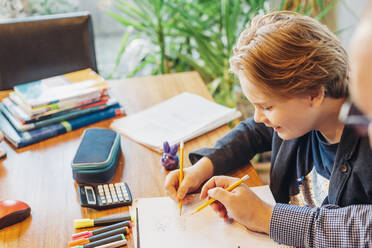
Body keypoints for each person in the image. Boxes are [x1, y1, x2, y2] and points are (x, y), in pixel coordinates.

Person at [165, 11, 372, 247]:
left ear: (313, 94)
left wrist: (264, 216)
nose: (258, 116)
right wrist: (204, 167)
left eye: (267, 106)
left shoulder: (365, 141)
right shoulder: (299, 119)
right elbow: (254, 131)